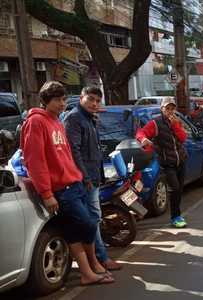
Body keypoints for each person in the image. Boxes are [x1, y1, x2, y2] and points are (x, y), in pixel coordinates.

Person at [20, 81, 114, 285]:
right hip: (61, 189)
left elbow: (67, 154)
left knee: (77, 229)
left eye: (63, 99)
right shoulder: (36, 122)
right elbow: (34, 161)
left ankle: (89, 270)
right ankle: (91, 267)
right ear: (46, 100)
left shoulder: (57, 122)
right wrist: (46, 193)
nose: (63, 103)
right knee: (88, 224)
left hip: (75, 183)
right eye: (57, 100)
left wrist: (80, 178)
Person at [64, 86, 122, 272]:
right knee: (92, 219)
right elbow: (74, 151)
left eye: (97, 100)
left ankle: (97, 258)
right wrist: (86, 177)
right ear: (81, 98)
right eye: (90, 99)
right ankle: (100, 258)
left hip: (93, 176)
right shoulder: (74, 118)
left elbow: (94, 150)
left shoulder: (91, 119)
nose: (94, 103)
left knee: (93, 218)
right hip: (83, 179)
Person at [136, 98, 188, 228]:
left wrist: (176, 125)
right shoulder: (156, 123)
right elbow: (141, 132)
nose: (170, 111)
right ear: (162, 109)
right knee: (175, 188)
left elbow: (183, 138)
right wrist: (143, 139)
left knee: (179, 189)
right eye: (167, 108)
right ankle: (175, 216)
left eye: (172, 108)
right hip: (167, 162)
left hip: (180, 160)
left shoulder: (177, 121)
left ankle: (176, 215)